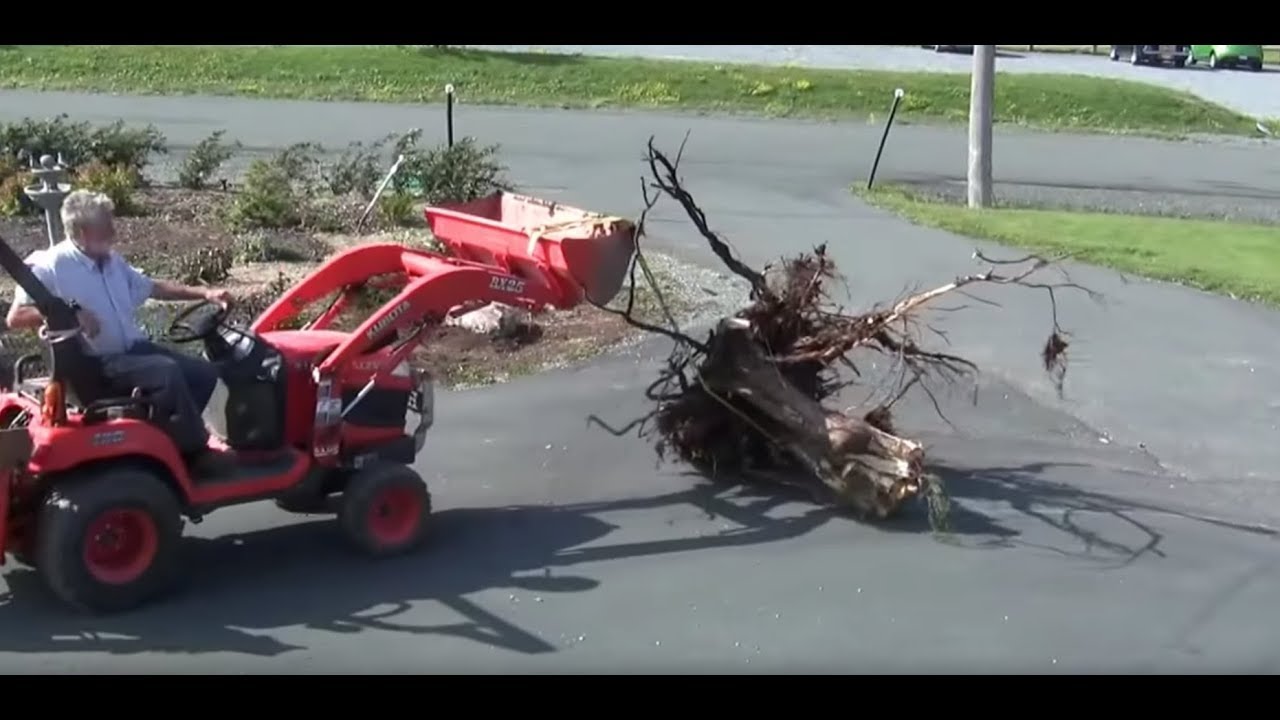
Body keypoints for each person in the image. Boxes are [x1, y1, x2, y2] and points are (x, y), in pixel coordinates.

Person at [6, 189, 234, 470]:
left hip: (131, 352)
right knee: (166, 371)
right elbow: (15, 317)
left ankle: (171, 442)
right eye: (107, 226)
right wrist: (71, 314)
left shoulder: (112, 262)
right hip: (98, 364)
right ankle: (195, 452)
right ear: (83, 232)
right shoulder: (52, 266)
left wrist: (205, 293)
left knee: (203, 373)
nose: (114, 231)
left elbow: (152, 287)